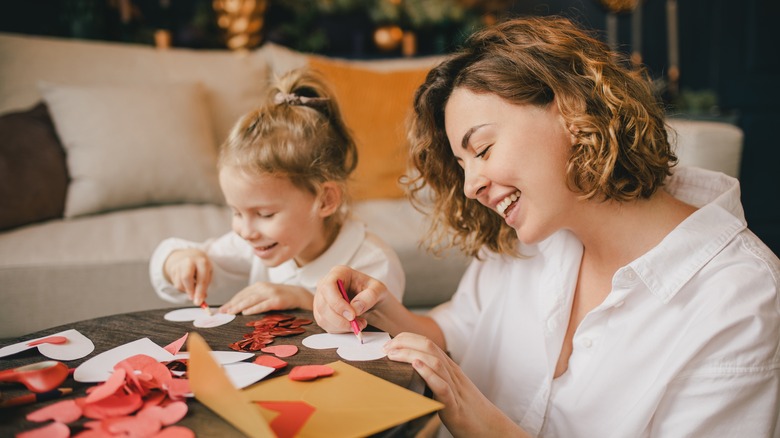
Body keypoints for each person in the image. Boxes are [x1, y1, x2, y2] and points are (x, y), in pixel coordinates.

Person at [313, 16, 780, 437]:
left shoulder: (739, 304)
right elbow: (456, 328)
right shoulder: (528, 236)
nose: (471, 185)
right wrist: (373, 307)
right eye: (461, 165)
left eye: (483, 150)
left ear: (573, 109)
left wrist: (477, 417)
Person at [149, 68, 405, 315]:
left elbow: (379, 337)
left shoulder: (372, 263)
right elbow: (168, 265)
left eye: (265, 214)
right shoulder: (258, 243)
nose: (245, 231)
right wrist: (179, 262)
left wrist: (302, 298)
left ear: (325, 200)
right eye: (236, 212)